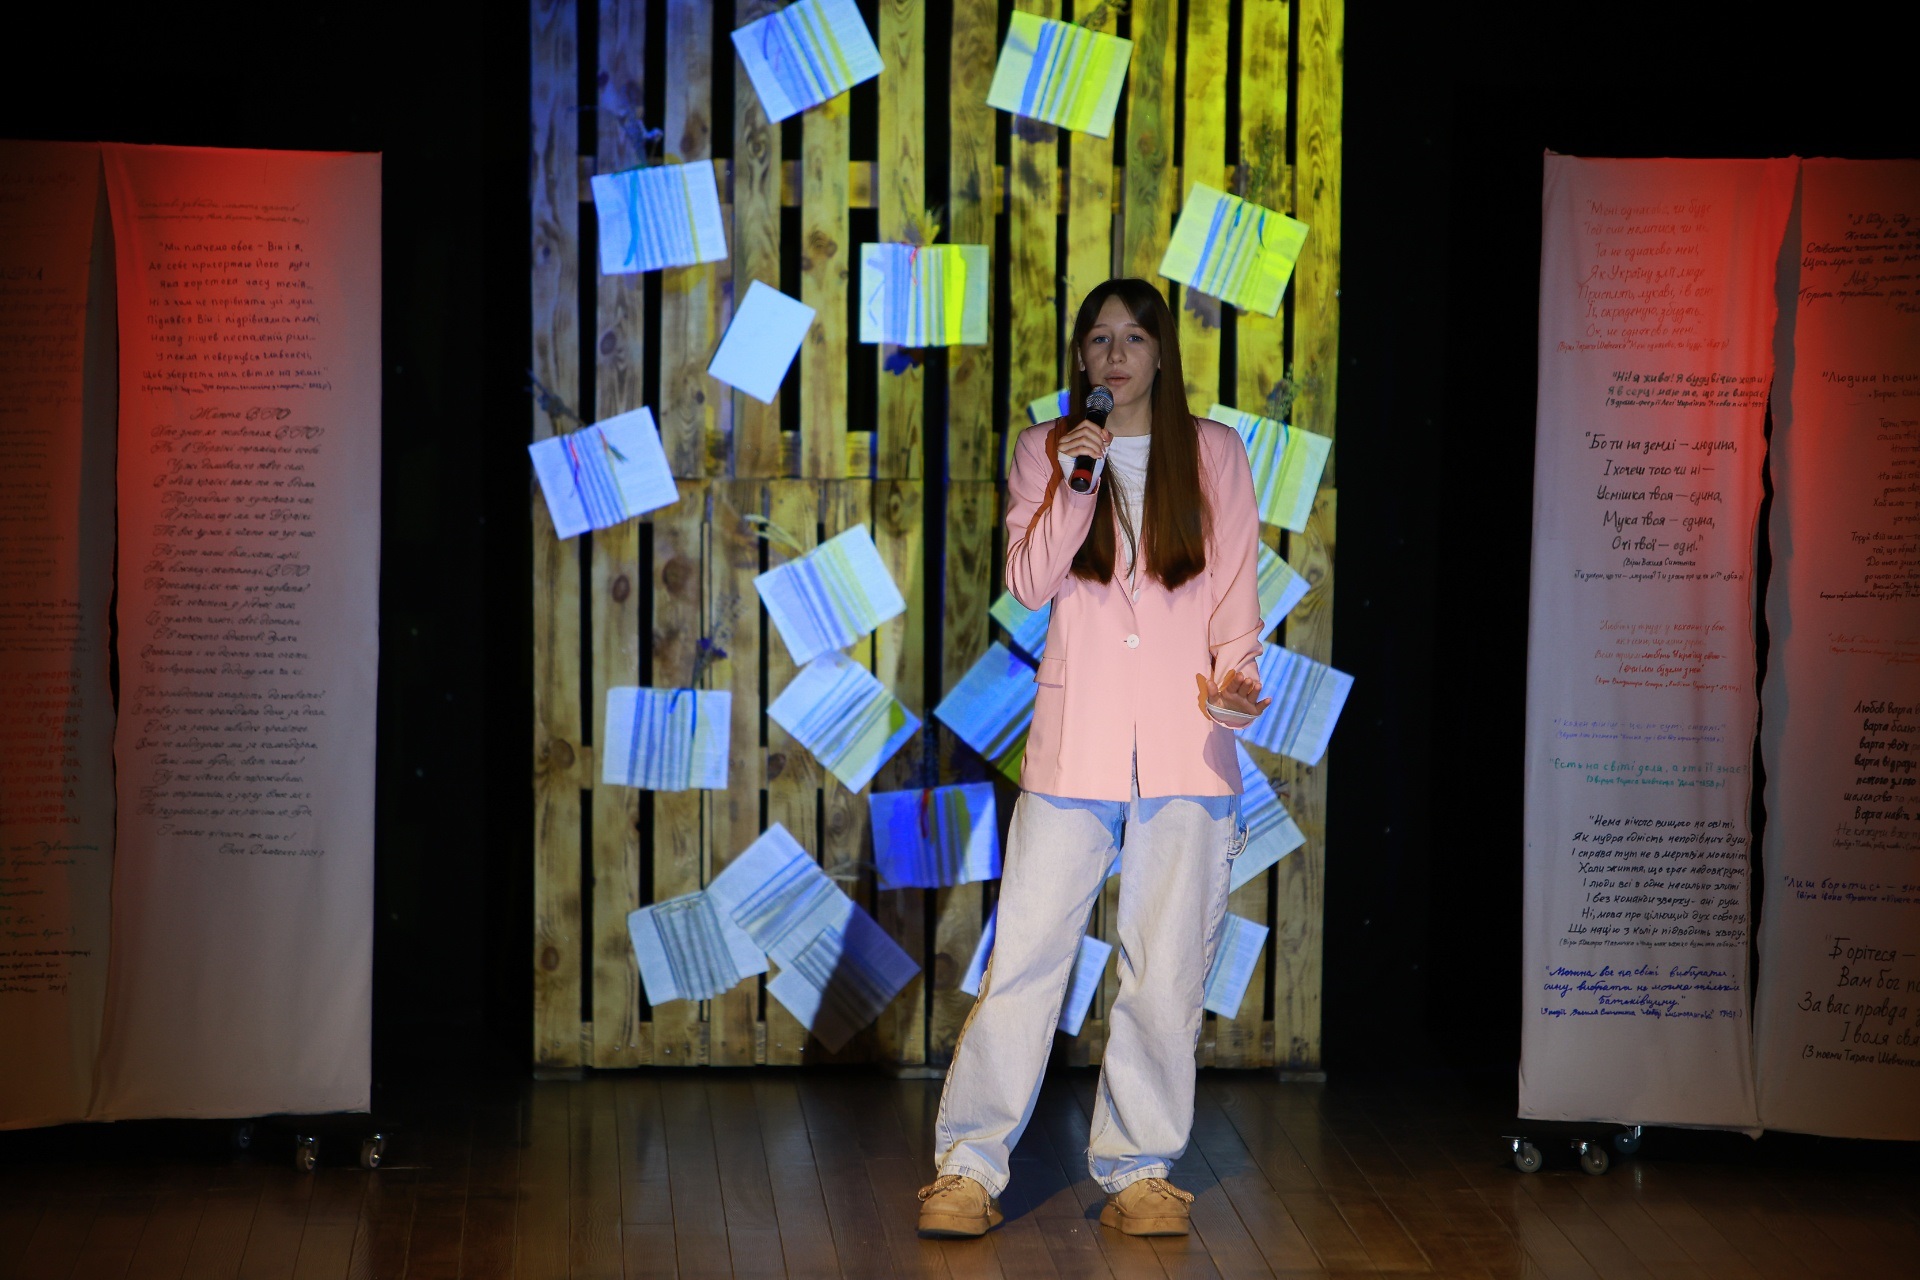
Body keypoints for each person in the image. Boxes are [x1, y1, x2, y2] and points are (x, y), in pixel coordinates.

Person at [917, 278, 1268, 1239]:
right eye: (1100, 339)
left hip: (1189, 746)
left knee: (1166, 972)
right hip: (1077, 748)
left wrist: (1238, 683)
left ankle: (1140, 1168)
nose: (1117, 353)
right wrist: (1080, 478)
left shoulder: (1216, 453)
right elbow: (1030, 582)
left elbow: (1236, 596)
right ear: (1081, 358)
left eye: (1135, 337)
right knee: (1027, 958)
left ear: (1161, 353)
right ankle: (967, 1168)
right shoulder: (1049, 449)